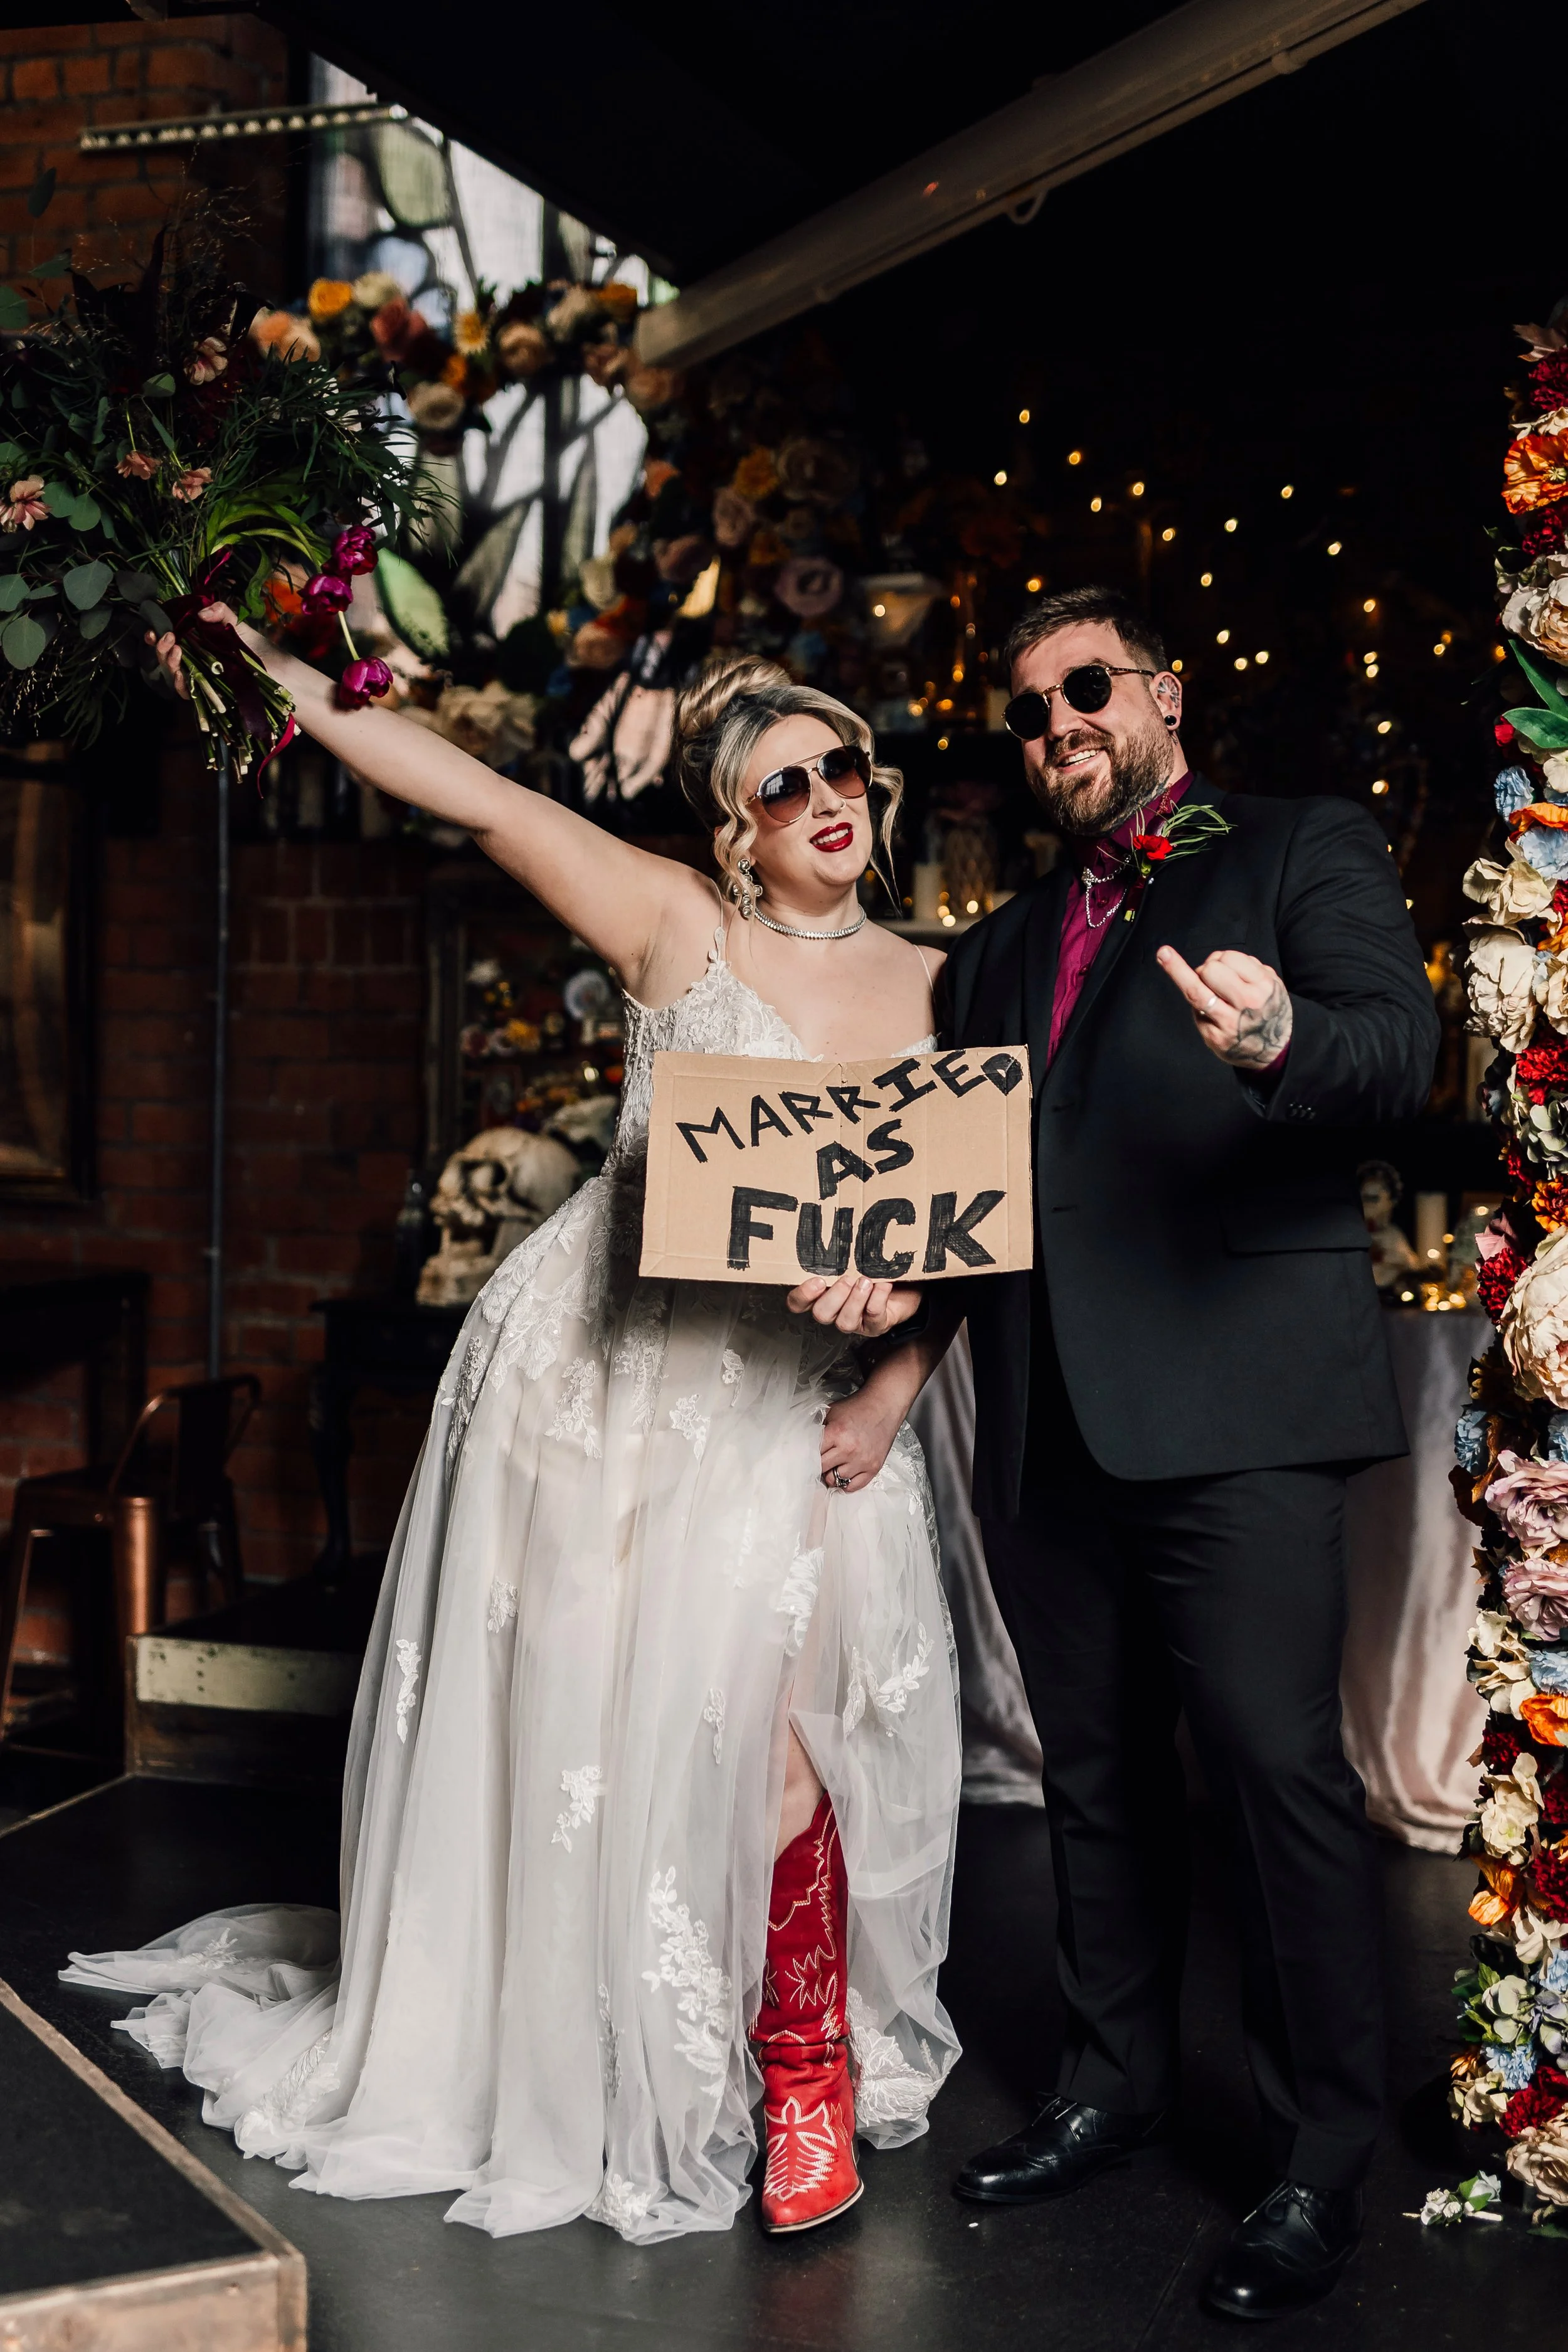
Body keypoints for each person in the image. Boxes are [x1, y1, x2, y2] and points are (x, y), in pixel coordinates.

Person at [61, 622, 962, 2245]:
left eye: (844, 765)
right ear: (734, 831)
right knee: (588, 1719)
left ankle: (802, 2069)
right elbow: (470, 795)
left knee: (783, 1731)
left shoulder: (936, 984)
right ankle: (566, 2050)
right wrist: (271, 668)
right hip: (603, 1381)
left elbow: (972, 1225)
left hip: (790, 1400)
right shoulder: (674, 921)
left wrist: (897, 1377)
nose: (829, 794)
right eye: (786, 783)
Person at [936, 584, 1439, 2322]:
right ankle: (1110, 2084)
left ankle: (1317, 2157)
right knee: (1093, 1775)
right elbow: (961, 1190)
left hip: (1238, 1406)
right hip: (1051, 1412)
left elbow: (1398, 1050)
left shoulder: (1300, 847)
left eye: (1086, 686)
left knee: (1273, 1769)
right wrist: (881, 1285)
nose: (1058, 724)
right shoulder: (991, 952)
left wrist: (1282, 1036)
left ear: (1161, 692)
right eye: (1026, 710)